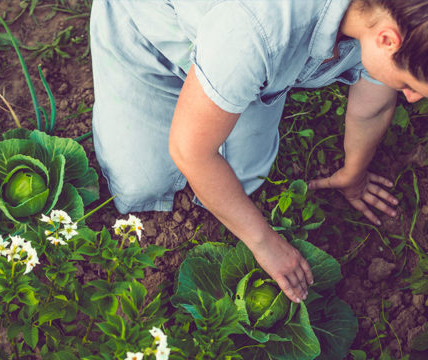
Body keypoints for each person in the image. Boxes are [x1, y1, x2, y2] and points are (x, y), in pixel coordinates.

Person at [89, 0, 428, 304]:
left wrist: (354, 173)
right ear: (387, 40)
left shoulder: (395, 16)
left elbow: (375, 104)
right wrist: (265, 243)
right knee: (140, 186)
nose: (412, 99)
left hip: (241, 59)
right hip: (157, 40)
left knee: (242, 180)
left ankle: (227, 89)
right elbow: (190, 152)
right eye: (411, 86)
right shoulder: (257, 28)